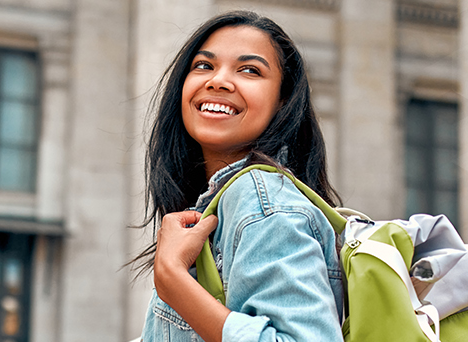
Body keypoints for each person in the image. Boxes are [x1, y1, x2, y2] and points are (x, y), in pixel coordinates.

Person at [129, 10, 344, 342]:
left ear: (283, 101)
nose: (218, 80)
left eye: (250, 70)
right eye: (204, 66)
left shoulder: (264, 203)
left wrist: (174, 281)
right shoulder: (220, 204)